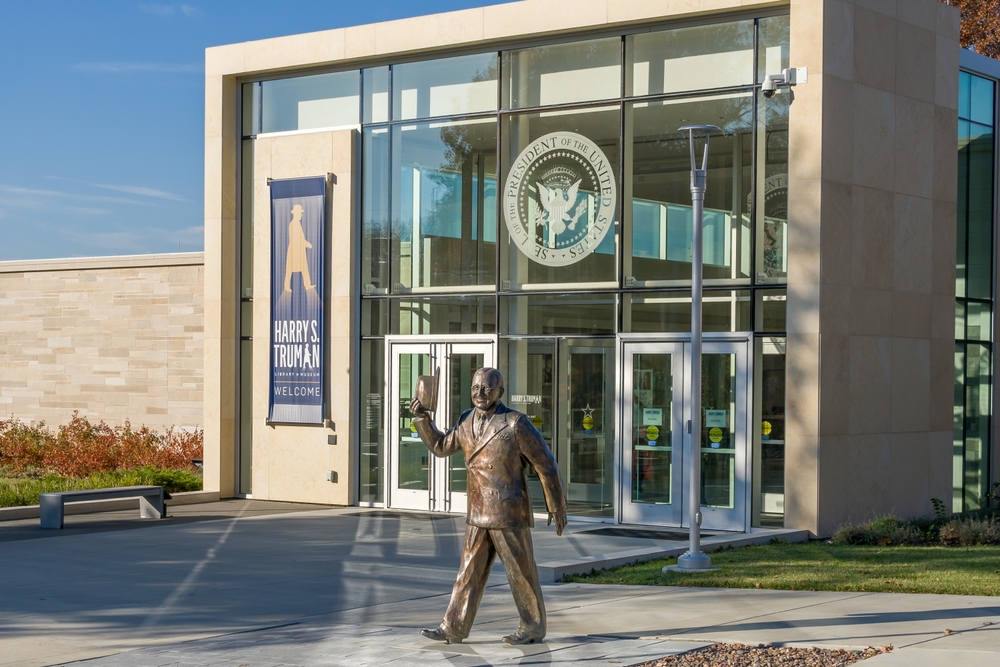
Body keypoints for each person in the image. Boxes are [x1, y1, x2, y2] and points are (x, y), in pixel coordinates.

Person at [409, 367, 567, 645]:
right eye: (475, 388)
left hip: (508, 511)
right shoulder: (465, 420)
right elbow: (441, 446)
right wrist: (423, 419)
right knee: (468, 571)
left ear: (501, 392)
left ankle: (532, 628)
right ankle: (453, 627)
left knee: (521, 572)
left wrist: (556, 505)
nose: (480, 393)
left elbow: (546, 465)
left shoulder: (515, 422)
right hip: (479, 510)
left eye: (487, 388)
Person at [283, 204, 314, 292]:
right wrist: (306, 243)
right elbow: (296, 238)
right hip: (295, 250)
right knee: (290, 269)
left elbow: (300, 238)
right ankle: (286, 286)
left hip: (298, 249)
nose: (301, 215)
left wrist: (305, 243)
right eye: (300, 213)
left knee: (303, 267)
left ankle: (307, 285)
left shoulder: (297, 223)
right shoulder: (294, 224)